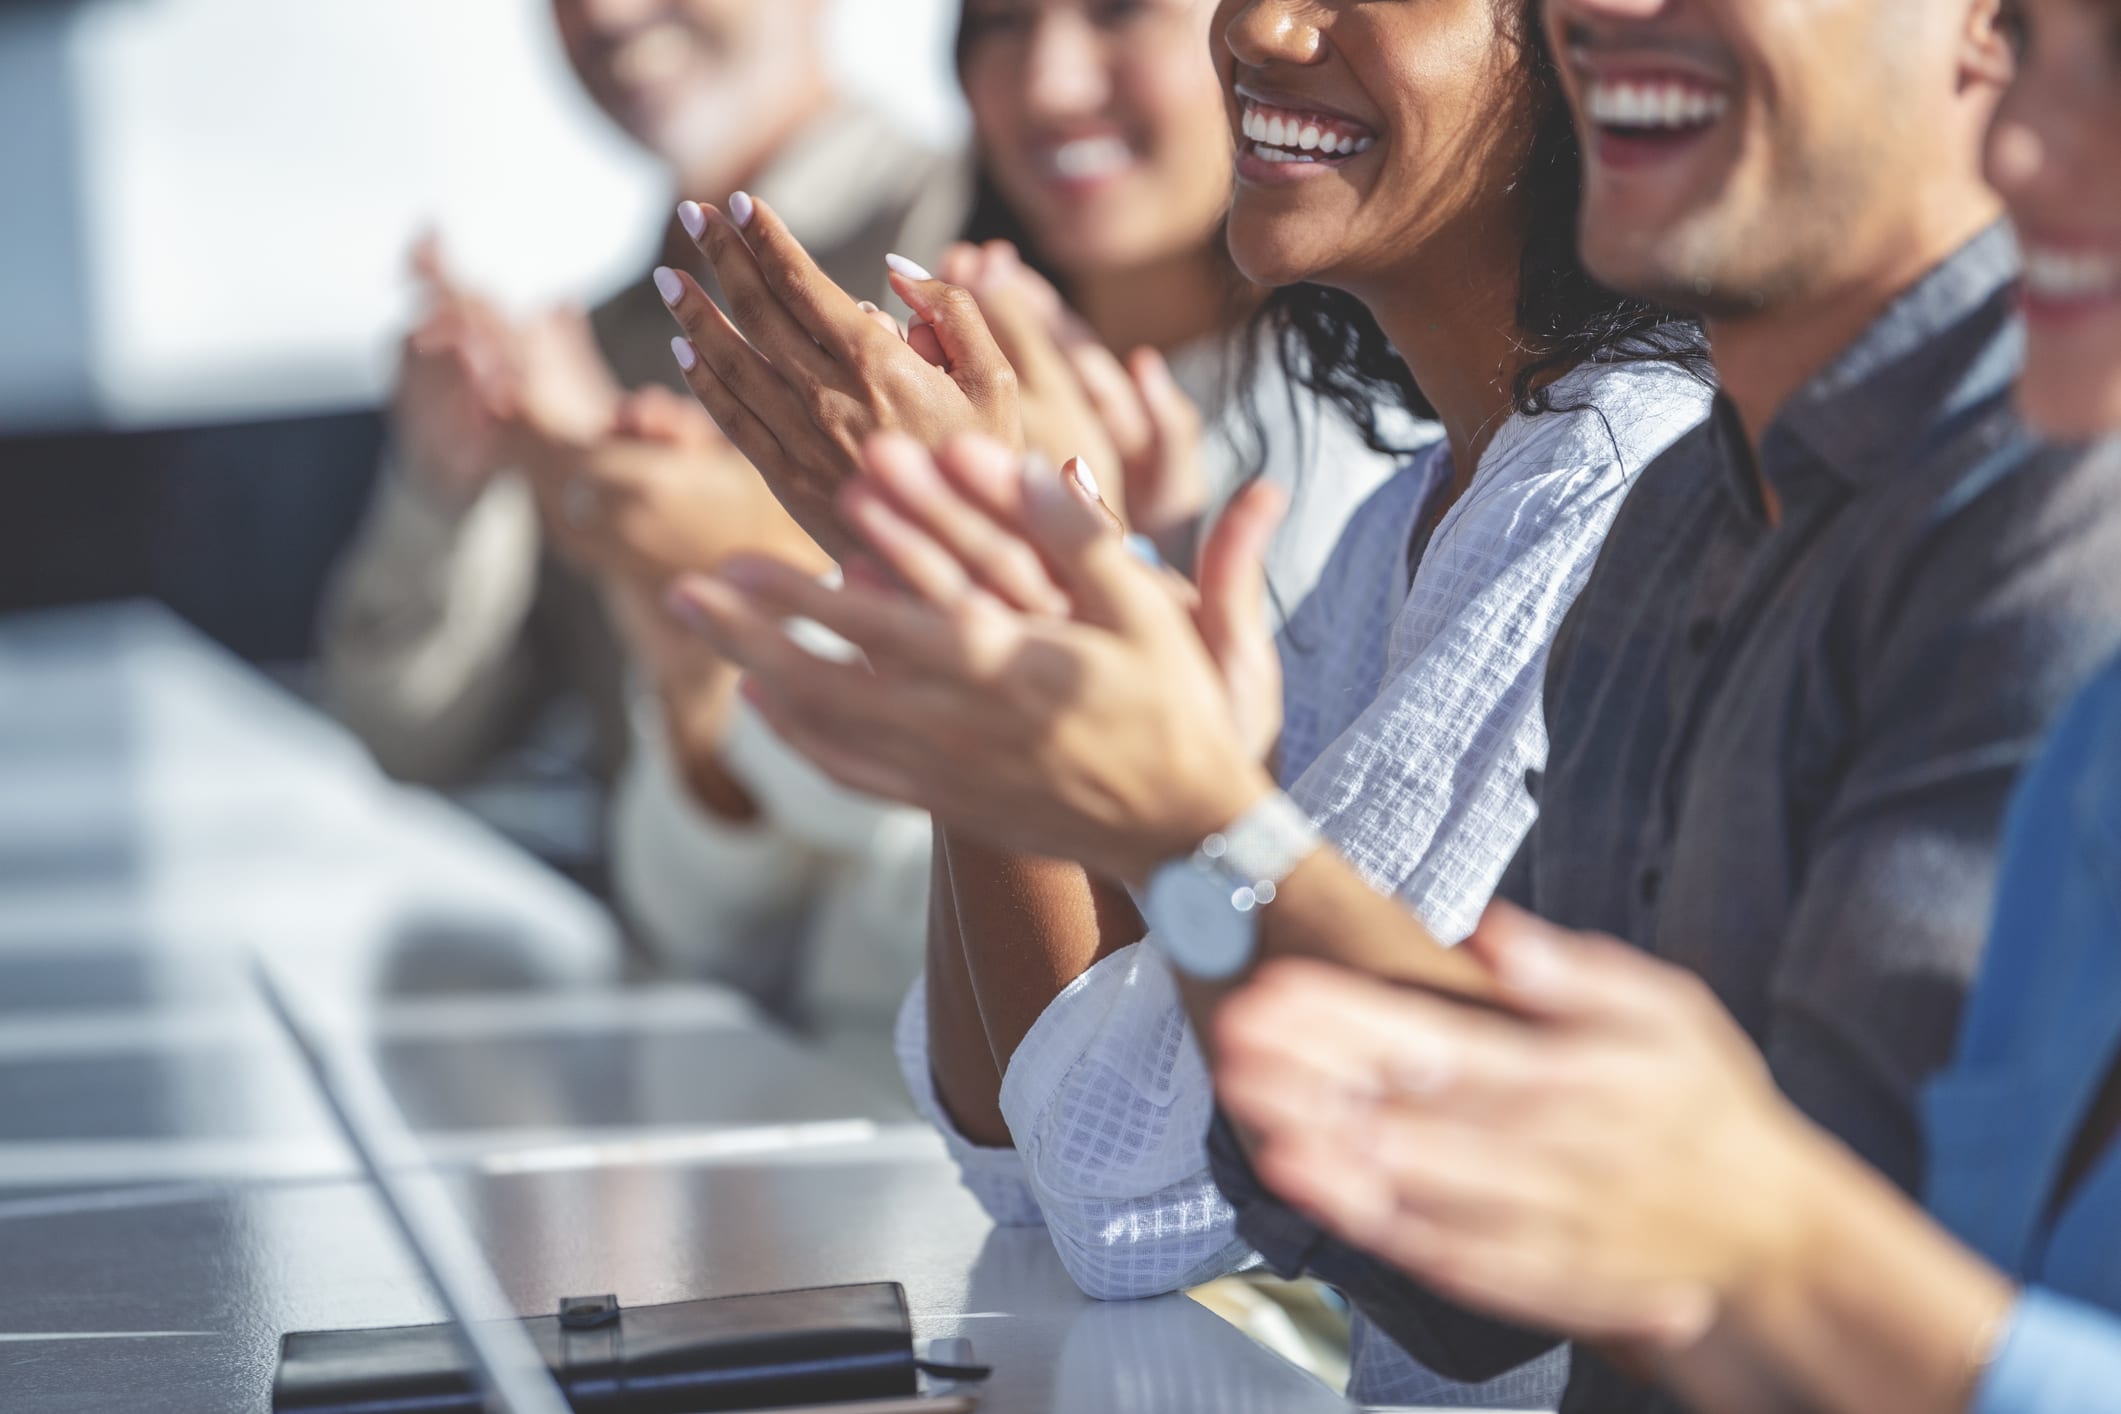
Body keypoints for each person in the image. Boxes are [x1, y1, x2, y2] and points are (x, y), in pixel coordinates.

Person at [656, 0, 2121, 1407]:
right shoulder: (1681, 498)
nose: (1260, 28)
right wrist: (1038, 677)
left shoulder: (1743, 489)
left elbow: (1142, 1186)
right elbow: (1434, 1244)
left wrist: (1160, 795)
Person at [1212, 0, 2121, 1408]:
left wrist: (1185, 819)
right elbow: (1457, 1256)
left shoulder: (2058, 512)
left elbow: (1790, 1274)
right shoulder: (1671, 508)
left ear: (1982, 30)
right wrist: (1151, 828)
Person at [318, 0, 963, 1037]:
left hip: (932, 1042)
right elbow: (412, 732)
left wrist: (607, 482)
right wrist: (454, 476)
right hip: (689, 1046)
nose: (607, 14)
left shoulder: (980, 228)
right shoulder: (609, 335)